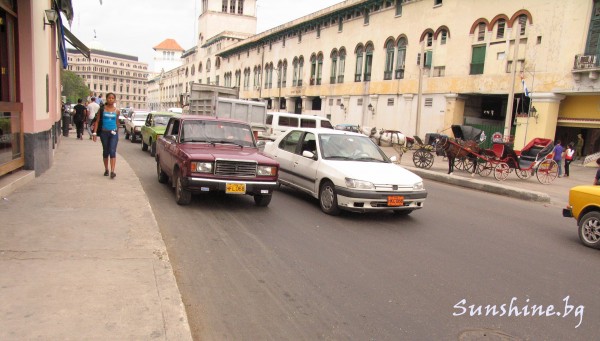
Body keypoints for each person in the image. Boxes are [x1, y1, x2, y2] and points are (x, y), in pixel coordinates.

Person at [92, 92, 120, 179]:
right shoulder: (102, 109)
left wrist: (117, 131)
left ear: (114, 100)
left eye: (112, 98)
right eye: (109, 98)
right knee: (105, 151)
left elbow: (117, 122)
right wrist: (94, 133)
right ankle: (106, 169)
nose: (111, 99)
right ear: (106, 99)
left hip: (113, 133)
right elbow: (97, 121)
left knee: (112, 151)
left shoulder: (117, 111)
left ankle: (112, 171)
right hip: (104, 133)